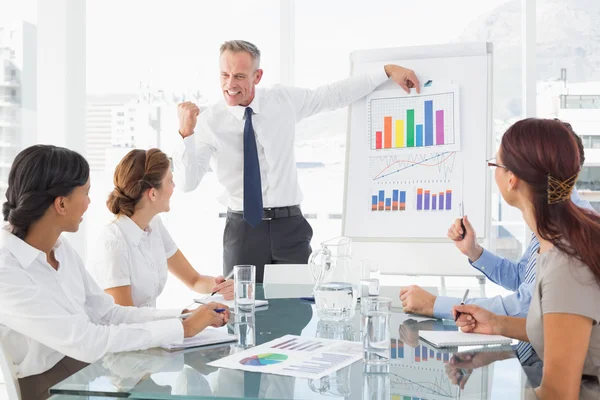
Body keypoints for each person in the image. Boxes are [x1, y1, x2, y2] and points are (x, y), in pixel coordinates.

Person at [174, 40, 420, 282]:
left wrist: (385, 72)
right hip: (243, 231)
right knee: (242, 310)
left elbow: (332, 95)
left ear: (257, 76)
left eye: (239, 76)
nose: (230, 84)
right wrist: (186, 135)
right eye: (224, 75)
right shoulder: (208, 122)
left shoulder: (282, 100)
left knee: (298, 309)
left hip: (289, 227)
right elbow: (188, 183)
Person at [0, 145, 229, 400]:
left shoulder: (60, 249)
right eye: (85, 193)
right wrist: (180, 329)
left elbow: (108, 313)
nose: (89, 203)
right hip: (49, 387)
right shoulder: (7, 269)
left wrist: (183, 317)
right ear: (61, 204)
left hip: (85, 372)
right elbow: (87, 341)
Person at [399, 122, 594, 384]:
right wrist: (475, 252)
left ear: (512, 178)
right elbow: (526, 281)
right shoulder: (553, 225)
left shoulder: (566, 245)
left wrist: (436, 305)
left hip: (546, 371)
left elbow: (527, 307)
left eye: (496, 165)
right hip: (530, 360)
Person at [452, 118, 600, 399]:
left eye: (494, 164)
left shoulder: (567, 261)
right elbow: (561, 329)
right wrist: (497, 324)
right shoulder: (557, 238)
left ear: (511, 179)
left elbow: (558, 393)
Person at [88, 148, 233, 308]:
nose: (174, 186)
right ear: (153, 194)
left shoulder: (154, 225)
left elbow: (194, 280)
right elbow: (125, 321)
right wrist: (187, 320)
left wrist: (218, 286)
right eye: (170, 181)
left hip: (153, 329)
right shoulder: (114, 244)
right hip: (133, 331)